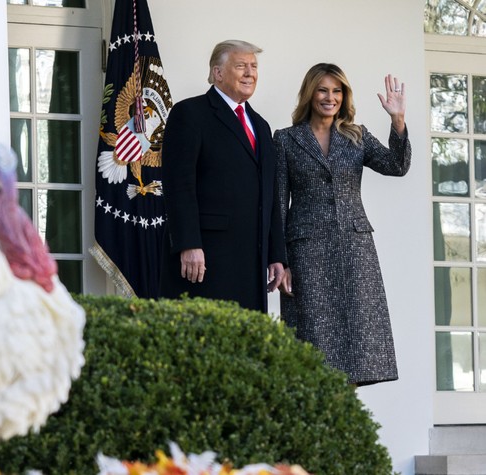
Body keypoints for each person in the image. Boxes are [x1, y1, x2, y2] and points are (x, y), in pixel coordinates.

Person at [274, 63, 411, 386]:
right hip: (307, 252)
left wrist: (398, 121)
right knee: (313, 340)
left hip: (355, 249)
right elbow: (279, 204)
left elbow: (397, 165)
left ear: (344, 96)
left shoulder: (357, 136)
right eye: (323, 90)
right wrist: (282, 260)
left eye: (337, 91)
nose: (330, 97)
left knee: (356, 341)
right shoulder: (285, 140)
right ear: (310, 93)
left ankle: (344, 419)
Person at [159, 39, 285, 312]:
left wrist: (276, 255)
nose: (250, 73)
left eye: (254, 66)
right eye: (241, 66)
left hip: (251, 260)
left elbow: (270, 193)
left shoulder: (261, 126)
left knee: (245, 344)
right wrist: (189, 244)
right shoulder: (189, 113)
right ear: (217, 72)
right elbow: (179, 185)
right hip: (206, 259)